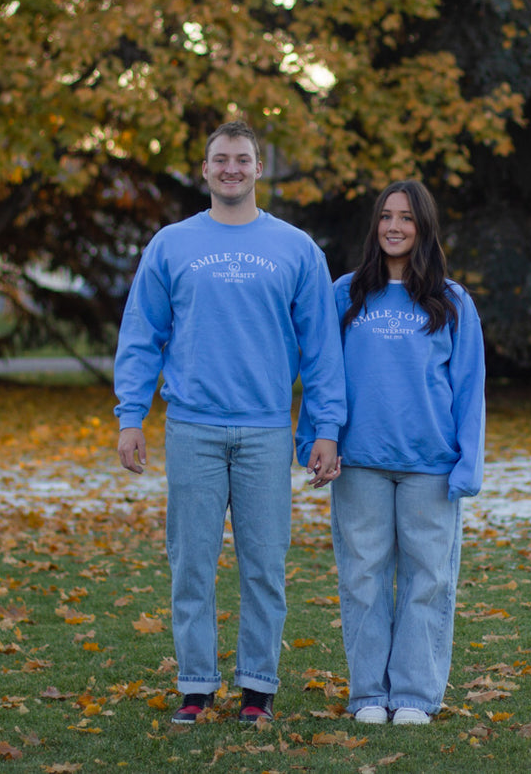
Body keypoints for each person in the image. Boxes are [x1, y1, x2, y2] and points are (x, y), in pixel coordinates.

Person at [113, 118, 346, 725]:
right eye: (221, 159)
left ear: (259, 168)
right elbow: (143, 334)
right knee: (190, 563)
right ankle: (195, 688)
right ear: (206, 168)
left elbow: (322, 348)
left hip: (266, 431)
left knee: (264, 566)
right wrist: (129, 415)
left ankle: (257, 693)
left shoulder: (296, 248)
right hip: (191, 426)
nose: (231, 168)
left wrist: (326, 428)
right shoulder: (171, 244)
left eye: (242, 158)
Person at [296, 180, 485, 726]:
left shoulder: (452, 301)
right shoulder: (346, 294)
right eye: (385, 217)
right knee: (362, 579)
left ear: (424, 227)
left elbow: (470, 388)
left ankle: (415, 696)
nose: (394, 227)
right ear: (375, 226)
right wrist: (316, 439)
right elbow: (322, 373)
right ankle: (368, 696)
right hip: (361, 462)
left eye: (406, 217)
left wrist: (466, 465)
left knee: (428, 580)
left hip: (431, 464)